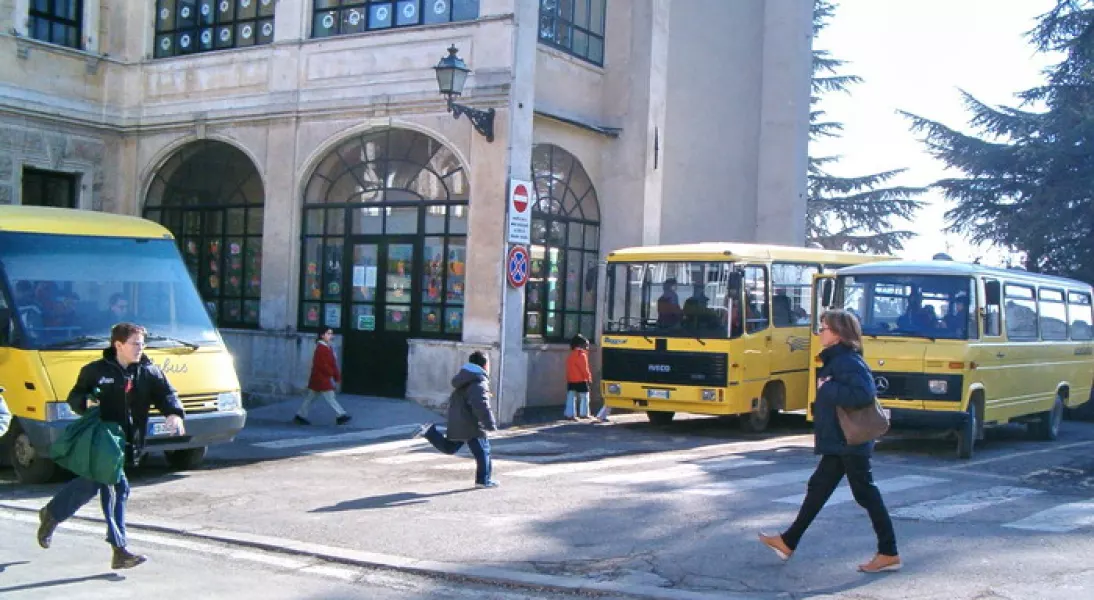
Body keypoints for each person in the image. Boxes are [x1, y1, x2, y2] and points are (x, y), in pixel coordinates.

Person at [758, 309, 900, 574]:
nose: (819, 332)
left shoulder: (846, 360)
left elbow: (864, 393)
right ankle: (788, 541)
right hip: (840, 440)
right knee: (818, 488)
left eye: (823, 328)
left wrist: (828, 387)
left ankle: (889, 552)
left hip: (849, 440)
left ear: (838, 334)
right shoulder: (837, 359)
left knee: (865, 493)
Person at [36, 322, 186, 570]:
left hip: (128, 441)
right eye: (135, 343)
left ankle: (52, 513)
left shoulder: (149, 371)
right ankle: (120, 549)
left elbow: (166, 394)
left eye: (142, 343)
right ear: (118, 345)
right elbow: (76, 396)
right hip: (103, 440)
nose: (141, 348)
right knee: (117, 489)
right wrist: (86, 402)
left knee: (90, 484)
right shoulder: (95, 371)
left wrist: (174, 414)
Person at [412, 351, 499, 488]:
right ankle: (483, 480)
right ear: (485, 365)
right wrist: (490, 423)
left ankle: (430, 432)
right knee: (483, 451)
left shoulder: (464, 378)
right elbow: (481, 405)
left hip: (458, 420)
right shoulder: (478, 382)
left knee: (450, 447)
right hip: (473, 424)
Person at [294, 327, 351, 426]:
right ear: (322, 335)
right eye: (328, 334)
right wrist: (332, 375)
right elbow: (322, 365)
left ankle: (300, 415)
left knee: (311, 398)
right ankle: (341, 415)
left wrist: (336, 376)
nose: (330, 336)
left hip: (320, 378)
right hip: (321, 378)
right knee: (330, 397)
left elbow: (332, 364)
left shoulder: (327, 348)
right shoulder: (321, 348)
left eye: (331, 334)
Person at [563, 334, 593, 421]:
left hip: (571, 379)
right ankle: (584, 413)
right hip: (581, 379)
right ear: (581, 345)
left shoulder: (571, 355)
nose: (587, 347)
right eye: (586, 345)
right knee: (585, 397)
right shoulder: (582, 355)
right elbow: (585, 369)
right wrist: (589, 378)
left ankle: (569, 414)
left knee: (571, 397)